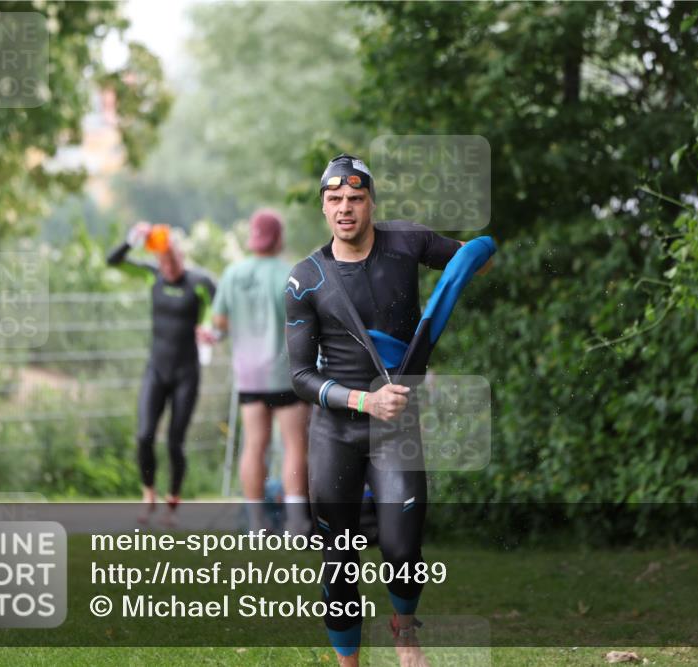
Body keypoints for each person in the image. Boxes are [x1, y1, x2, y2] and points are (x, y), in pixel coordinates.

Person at [285, 154, 492, 667]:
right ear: (324, 208)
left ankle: (403, 629)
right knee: (339, 562)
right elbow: (300, 377)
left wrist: (470, 262)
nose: (345, 209)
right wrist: (363, 400)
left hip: (397, 428)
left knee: (402, 552)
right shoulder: (305, 279)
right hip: (336, 432)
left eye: (355, 198)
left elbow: (470, 259)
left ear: (371, 202)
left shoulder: (408, 242)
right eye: (334, 200)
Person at [205, 209, 312, 536]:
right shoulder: (290, 272)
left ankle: (256, 526)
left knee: (254, 444)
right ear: (278, 238)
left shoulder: (233, 273)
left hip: (248, 375)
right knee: (295, 444)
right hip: (285, 372)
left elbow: (219, 322)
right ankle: (296, 524)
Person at [106, 223, 216, 525]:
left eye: (173, 265)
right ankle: (149, 494)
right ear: (158, 263)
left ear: (181, 260)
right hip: (156, 369)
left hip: (186, 373)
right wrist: (132, 239)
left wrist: (211, 330)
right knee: (144, 436)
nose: (168, 270)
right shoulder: (150, 276)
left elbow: (220, 311)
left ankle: (172, 503)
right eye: (163, 265)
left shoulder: (199, 282)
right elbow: (112, 261)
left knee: (174, 442)